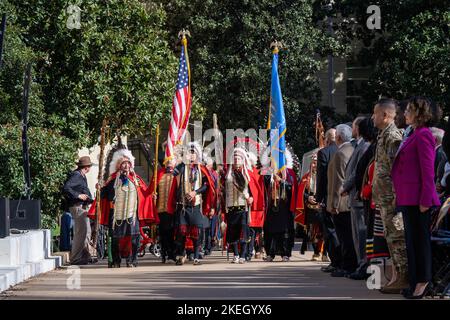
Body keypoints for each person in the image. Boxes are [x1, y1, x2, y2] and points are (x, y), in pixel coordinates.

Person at [391, 97, 441, 299]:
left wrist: (425, 199)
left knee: (420, 242)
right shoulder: (413, 134)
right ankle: (414, 281)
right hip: (408, 197)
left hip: (419, 199)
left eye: (410, 110)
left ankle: (423, 281)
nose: (405, 113)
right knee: (412, 241)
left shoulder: (423, 135)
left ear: (420, 114)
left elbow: (428, 171)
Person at [94, 148, 155, 268]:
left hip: (132, 215)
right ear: (119, 166)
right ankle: (116, 260)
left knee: (134, 238)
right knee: (115, 239)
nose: (126, 165)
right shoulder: (112, 180)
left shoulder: (136, 180)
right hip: (116, 215)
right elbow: (104, 194)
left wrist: (152, 190)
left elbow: (145, 194)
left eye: (128, 163)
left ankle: (132, 260)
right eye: (123, 163)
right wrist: (99, 188)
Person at [372, 98, 409, 293]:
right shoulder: (383, 135)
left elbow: (398, 170)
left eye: (375, 113)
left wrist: (396, 198)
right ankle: (397, 276)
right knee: (390, 237)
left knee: (397, 238)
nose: (372, 117)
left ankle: (403, 277)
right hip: (384, 198)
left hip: (392, 199)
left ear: (385, 115)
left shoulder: (393, 136)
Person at [172, 142, 215, 266]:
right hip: (182, 205)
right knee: (181, 231)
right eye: (189, 153)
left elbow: (207, 186)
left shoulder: (201, 169)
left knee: (196, 232)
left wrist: (195, 192)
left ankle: (196, 256)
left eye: (193, 153)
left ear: (197, 155)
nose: (191, 155)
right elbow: (171, 176)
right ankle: (181, 254)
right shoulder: (181, 167)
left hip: (196, 205)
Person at [327, 124, 357, 277]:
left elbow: (338, 181)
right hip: (347, 202)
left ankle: (347, 265)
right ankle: (349, 264)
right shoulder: (351, 149)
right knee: (348, 236)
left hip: (342, 203)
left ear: (338, 137)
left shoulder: (341, 153)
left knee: (344, 237)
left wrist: (335, 203)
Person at [341, 116, 370, 280]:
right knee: (357, 234)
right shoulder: (359, 145)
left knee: (361, 233)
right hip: (354, 197)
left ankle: (363, 265)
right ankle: (361, 264)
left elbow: (358, 172)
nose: (351, 130)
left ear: (358, 128)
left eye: (353, 126)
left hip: (358, 198)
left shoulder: (364, 146)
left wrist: (346, 187)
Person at [313, 129, 341, 273]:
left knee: (330, 231)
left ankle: (335, 261)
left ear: (327, 139)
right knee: (341, 230)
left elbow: (321, 177)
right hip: (344, 197)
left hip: (329, 197)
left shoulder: (324, 153)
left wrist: (318, 198)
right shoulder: (344, 149)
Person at [223, 147, 255, 264]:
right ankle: (236, 254)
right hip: (231, 207)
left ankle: (243, 255)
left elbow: (252, 190)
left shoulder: (247, 174)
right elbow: (224, 191)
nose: (236, 160)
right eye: (235, 158)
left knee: (243, 232)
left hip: (243, 207)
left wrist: (251, 197)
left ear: (243, 160)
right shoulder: (228, 175)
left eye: (239, 158)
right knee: (233, 232)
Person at [264, 150, 296, 262]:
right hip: (271, 207)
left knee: (284, 232)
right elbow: (263, 185)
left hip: (284, 208)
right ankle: (270, 253)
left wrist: (282, 181)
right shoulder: (267, 174)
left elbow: (291, 188)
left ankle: (285, 253)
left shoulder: (289, 173)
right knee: (270, 232)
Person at [62, 156, 95, 265]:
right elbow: (66, 188)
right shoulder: (77, 175)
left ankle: (85, 255)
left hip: (82, 207)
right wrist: (78, 195)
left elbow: (85, 191)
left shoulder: (81, 175)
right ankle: (75, 258)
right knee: (80, 233)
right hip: (77, 206)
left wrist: (91, 200)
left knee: (86, 232)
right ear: (87, 167)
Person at [150, 157, 178, 263]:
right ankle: (164, 253)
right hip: (160, 209)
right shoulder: (159, 174)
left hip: (173, 209)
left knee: (171, 232)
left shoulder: (177, 174)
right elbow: (153, 189)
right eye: (167, 161)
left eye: (171, 161)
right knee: (162, 233)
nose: (169, 163)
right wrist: (154, 195)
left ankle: (172, 254)